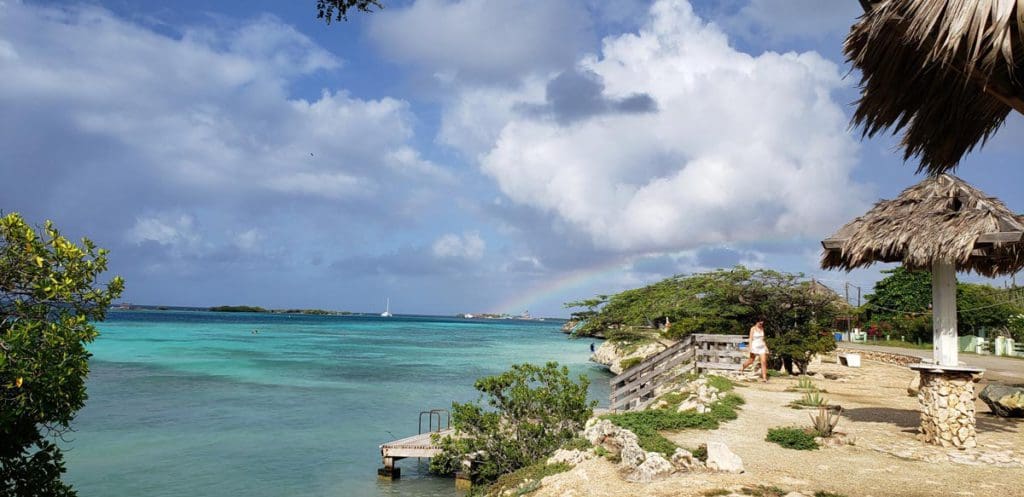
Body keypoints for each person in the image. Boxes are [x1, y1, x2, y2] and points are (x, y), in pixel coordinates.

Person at [740, 317, 769, 382]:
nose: (762, 323)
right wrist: (750, 348)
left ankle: (764, 378)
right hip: (754, 346)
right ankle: (742, 368)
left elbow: (763, 339)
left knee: (763, 362)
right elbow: (750, 339)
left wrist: (766, 347)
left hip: (761, 346)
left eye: (762, 321)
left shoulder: (762, 328)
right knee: (751, 360)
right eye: (760, 321)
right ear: (757, 322)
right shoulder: (752, 329)